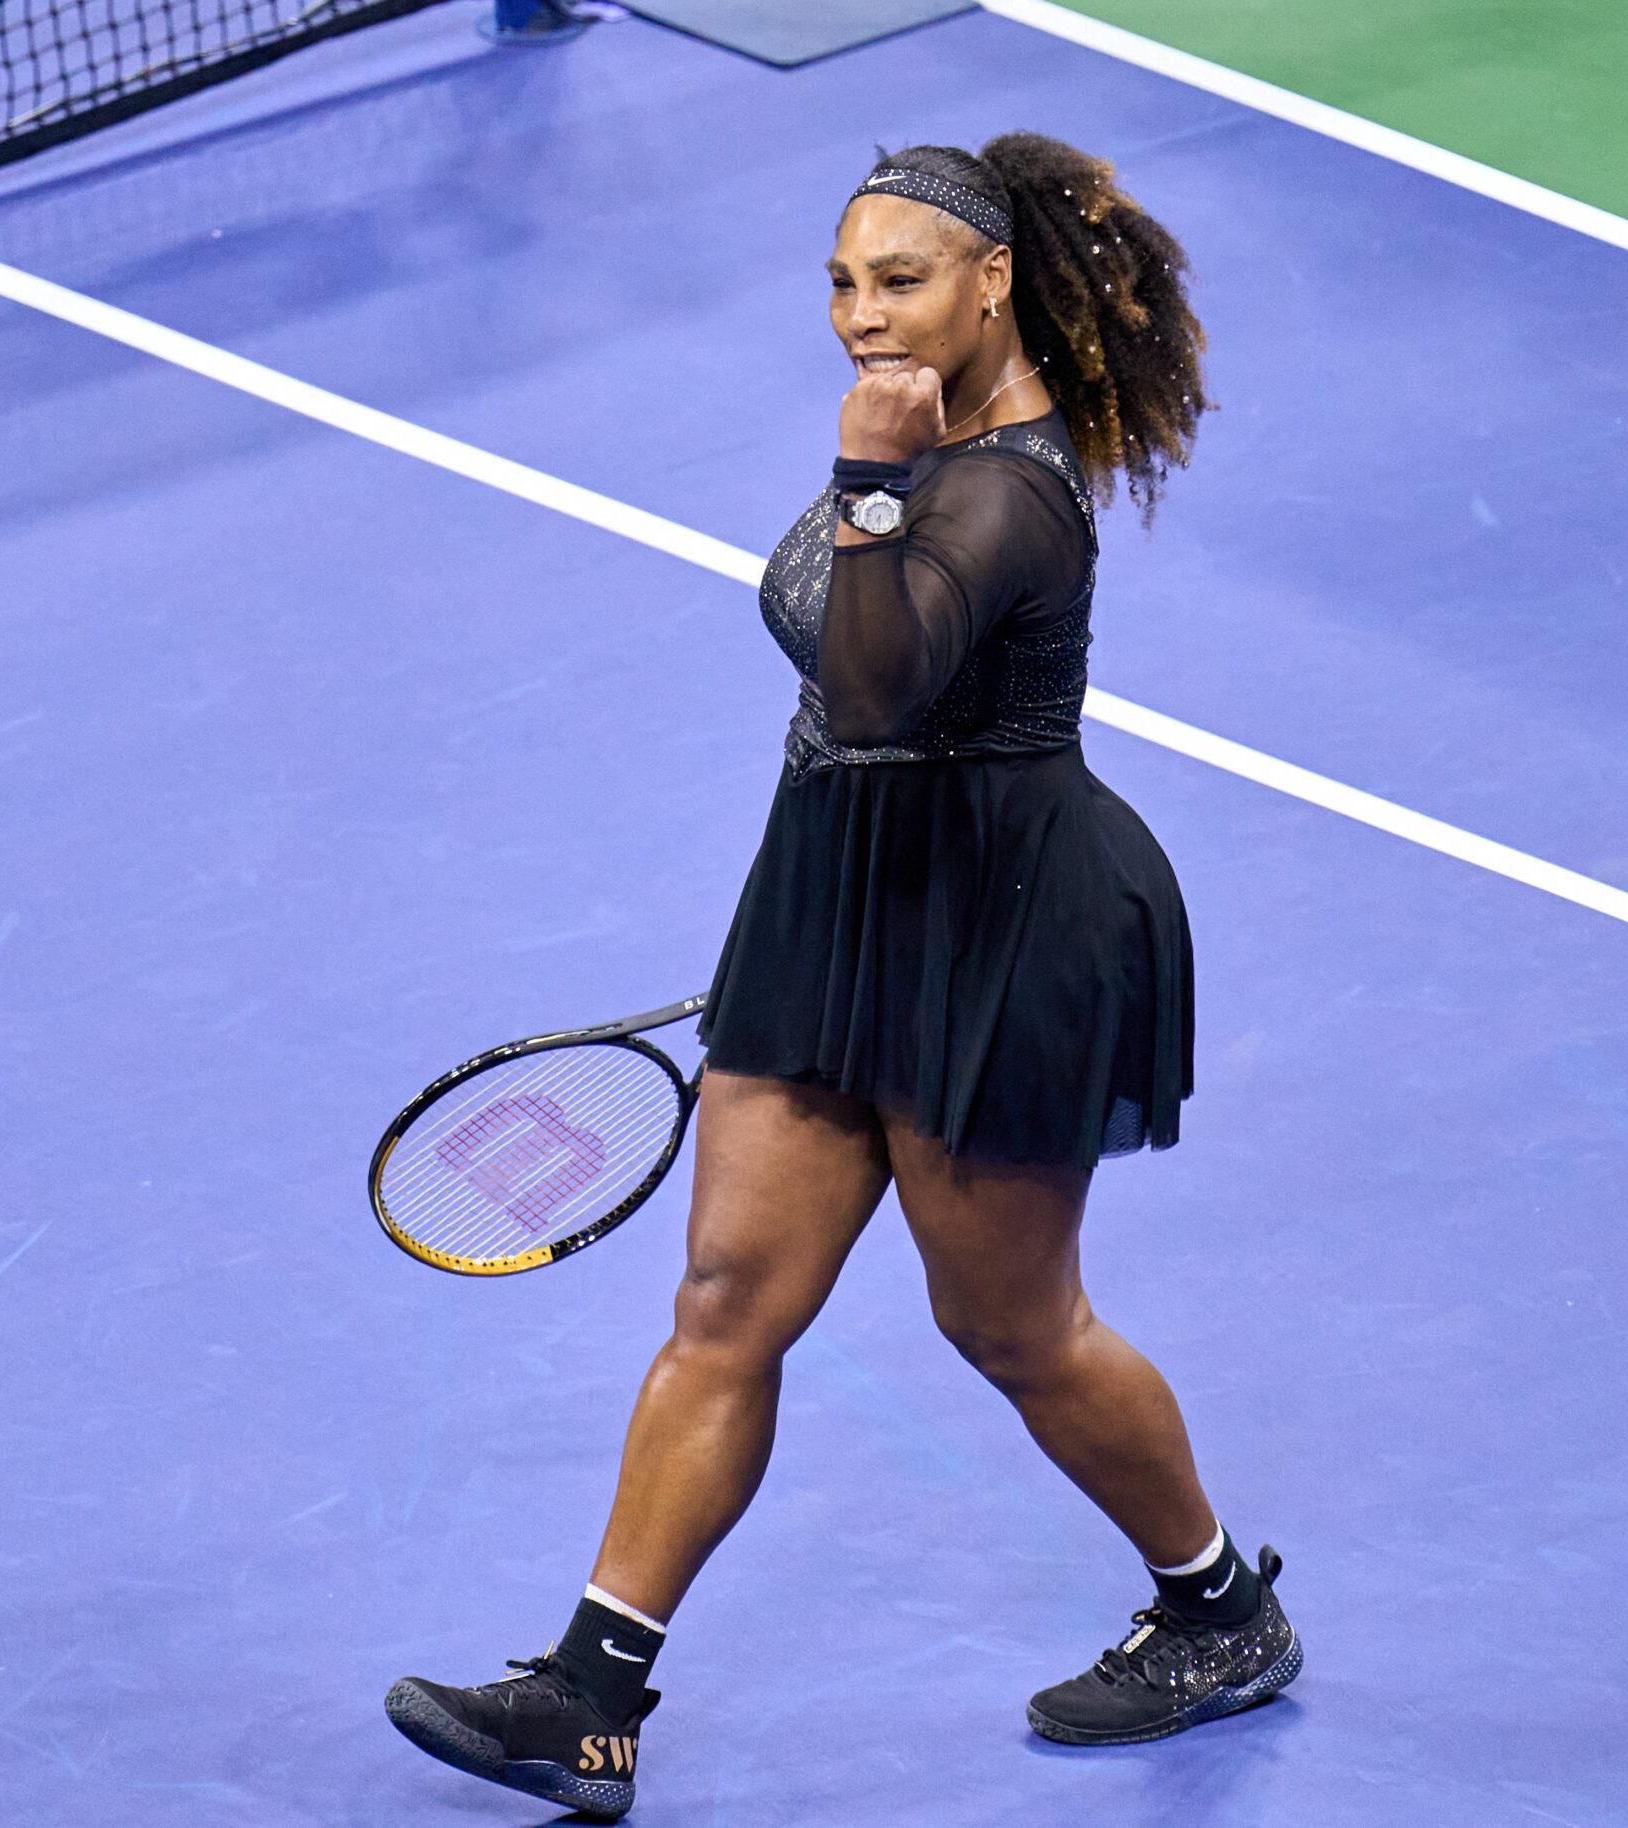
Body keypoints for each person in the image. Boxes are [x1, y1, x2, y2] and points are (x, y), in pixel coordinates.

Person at [385, 134, 1299, 1821]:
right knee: (727, 1304)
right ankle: (587, 1702)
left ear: (992, 280)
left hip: (1007, 929)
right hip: (835, 902)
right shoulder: (918, 418)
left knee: (1011, 1328)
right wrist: (816, 899)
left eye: (900, 282)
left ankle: (1221, 1608)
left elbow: (879, 690)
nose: (861, 316)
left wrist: (870, 482)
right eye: (840, 282)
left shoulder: (1010, 487)